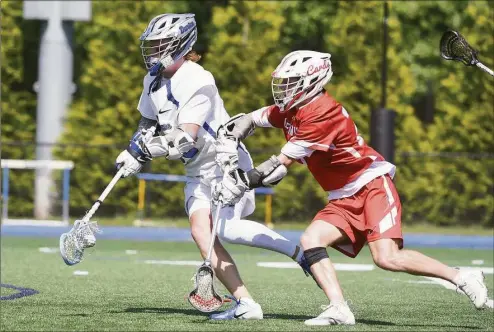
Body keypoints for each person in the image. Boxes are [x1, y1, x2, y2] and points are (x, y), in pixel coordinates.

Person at [213, 50, 491, 326]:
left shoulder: (323, 112)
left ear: (311, 82)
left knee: (387, 257)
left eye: (291, 82)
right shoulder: (292, 109)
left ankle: (462, 277)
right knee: (311, 240)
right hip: (342, 196)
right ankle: (339, 308)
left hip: (371, 186)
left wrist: (238, 183)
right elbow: (253, 118)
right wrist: (232, 135)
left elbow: (278, 166)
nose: (283, 89)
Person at [113, 14, 313, 321]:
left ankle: (299, 252)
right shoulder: (152, 79)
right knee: (200, 232)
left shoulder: (198, 79)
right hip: (196, 169)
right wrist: (132, 149)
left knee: (226, 229)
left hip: (224, 161)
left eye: (160, 45)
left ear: (181, 45)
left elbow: (183, 139)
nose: (152, 52)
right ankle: (246, 303)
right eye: (150, 45)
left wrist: (143, 151)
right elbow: (148, 121)